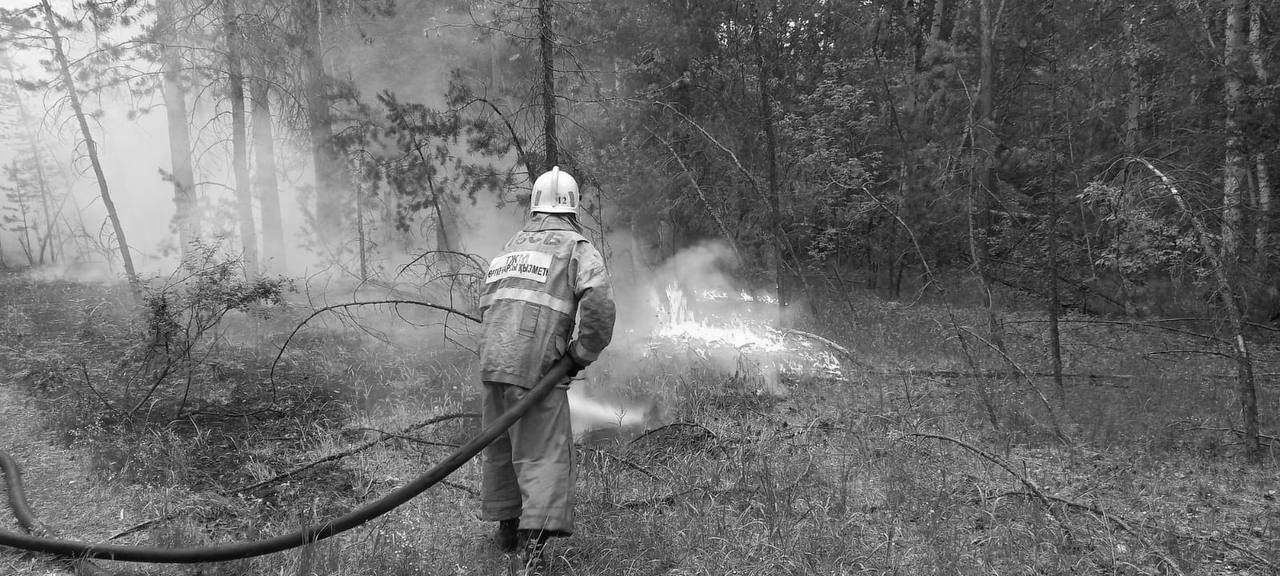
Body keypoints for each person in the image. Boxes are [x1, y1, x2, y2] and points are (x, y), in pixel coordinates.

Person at [476, 166, 615, 573]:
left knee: (502, 448)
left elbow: (488, 301)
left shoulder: (510, 246)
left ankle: (506, 529)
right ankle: (531, 551)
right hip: (536, 365)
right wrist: (580, 354)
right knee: (542, 454)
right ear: (573, 208)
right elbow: (600, 303)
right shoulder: (575, 246)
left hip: (493, 360)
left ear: (535, 205)